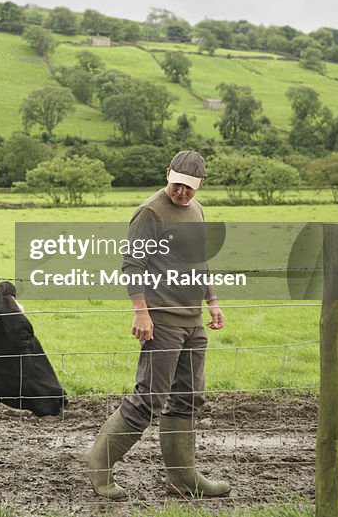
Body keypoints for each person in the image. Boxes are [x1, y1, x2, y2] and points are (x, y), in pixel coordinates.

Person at [85, 150, 230, 499]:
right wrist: (141, 312)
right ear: (168, 174)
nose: (182, 193)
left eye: (190, 188)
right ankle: (100, 464)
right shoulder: (150, 212)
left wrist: (212, 303)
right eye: (178, 184)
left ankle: (182, 478)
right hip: (161, 319)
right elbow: (132, 264)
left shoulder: (196, 210)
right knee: (149, 397)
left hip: (192, 321)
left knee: (188, 398)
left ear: (200, 186)